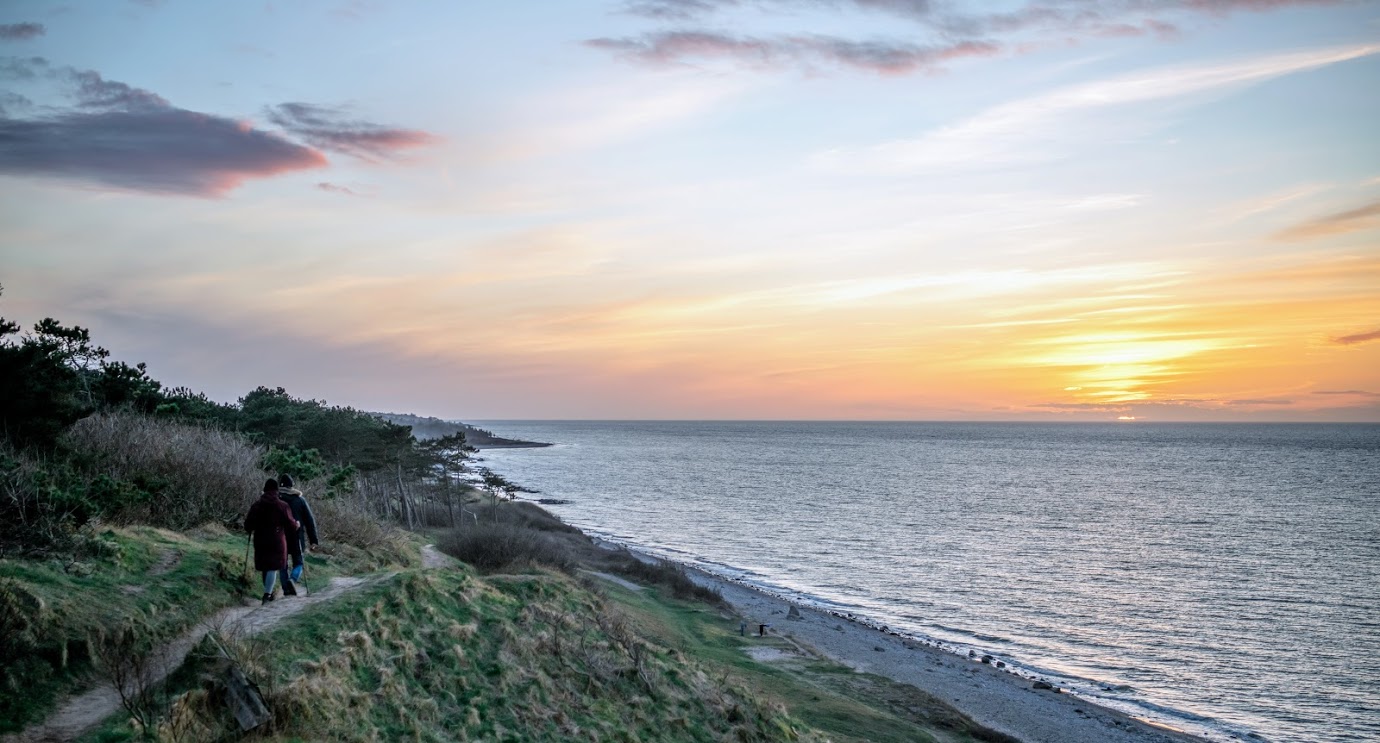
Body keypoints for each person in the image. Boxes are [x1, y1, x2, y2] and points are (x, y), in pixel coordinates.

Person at [244, 478, 299, 605]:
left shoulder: (257, 505)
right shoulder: (282, 505)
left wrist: (251, 528)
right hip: (276, 539)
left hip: (260, 539)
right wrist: (297, 525)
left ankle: (268, 592)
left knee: (265, 566)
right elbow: (290, 524)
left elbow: (248, 525)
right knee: (273, 567)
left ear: (264, 489)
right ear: (276, 490)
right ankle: (267, 594)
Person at [276, 474, 319, 584]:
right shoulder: (300, 500)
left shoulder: (275, 499)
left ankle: (286, 588)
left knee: (283, 562)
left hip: (279, 535)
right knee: (298, 562)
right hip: (296, 535)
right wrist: (313, 540)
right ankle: (293, 579)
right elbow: (310, 521)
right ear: (292, 486)